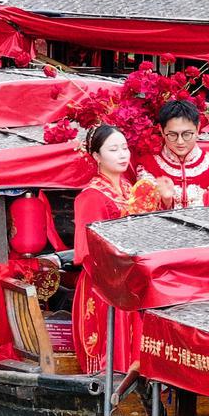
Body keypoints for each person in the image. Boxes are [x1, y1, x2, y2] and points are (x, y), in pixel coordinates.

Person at [71, 125, 140, 374]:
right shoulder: (91, 196)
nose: (123, 154)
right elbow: (88, 250)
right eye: (113, 149)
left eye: (125, 148)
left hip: (131, 281)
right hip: (103, 284)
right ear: (97, 156)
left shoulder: (132, 190)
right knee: (113, 347)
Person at [136, 100, 209, 209]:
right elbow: (142, 212)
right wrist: (165, 200)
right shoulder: (148, 166)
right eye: (172, 134)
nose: (180, 141)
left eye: (187, 134)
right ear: (161, 131)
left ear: (198, 128)